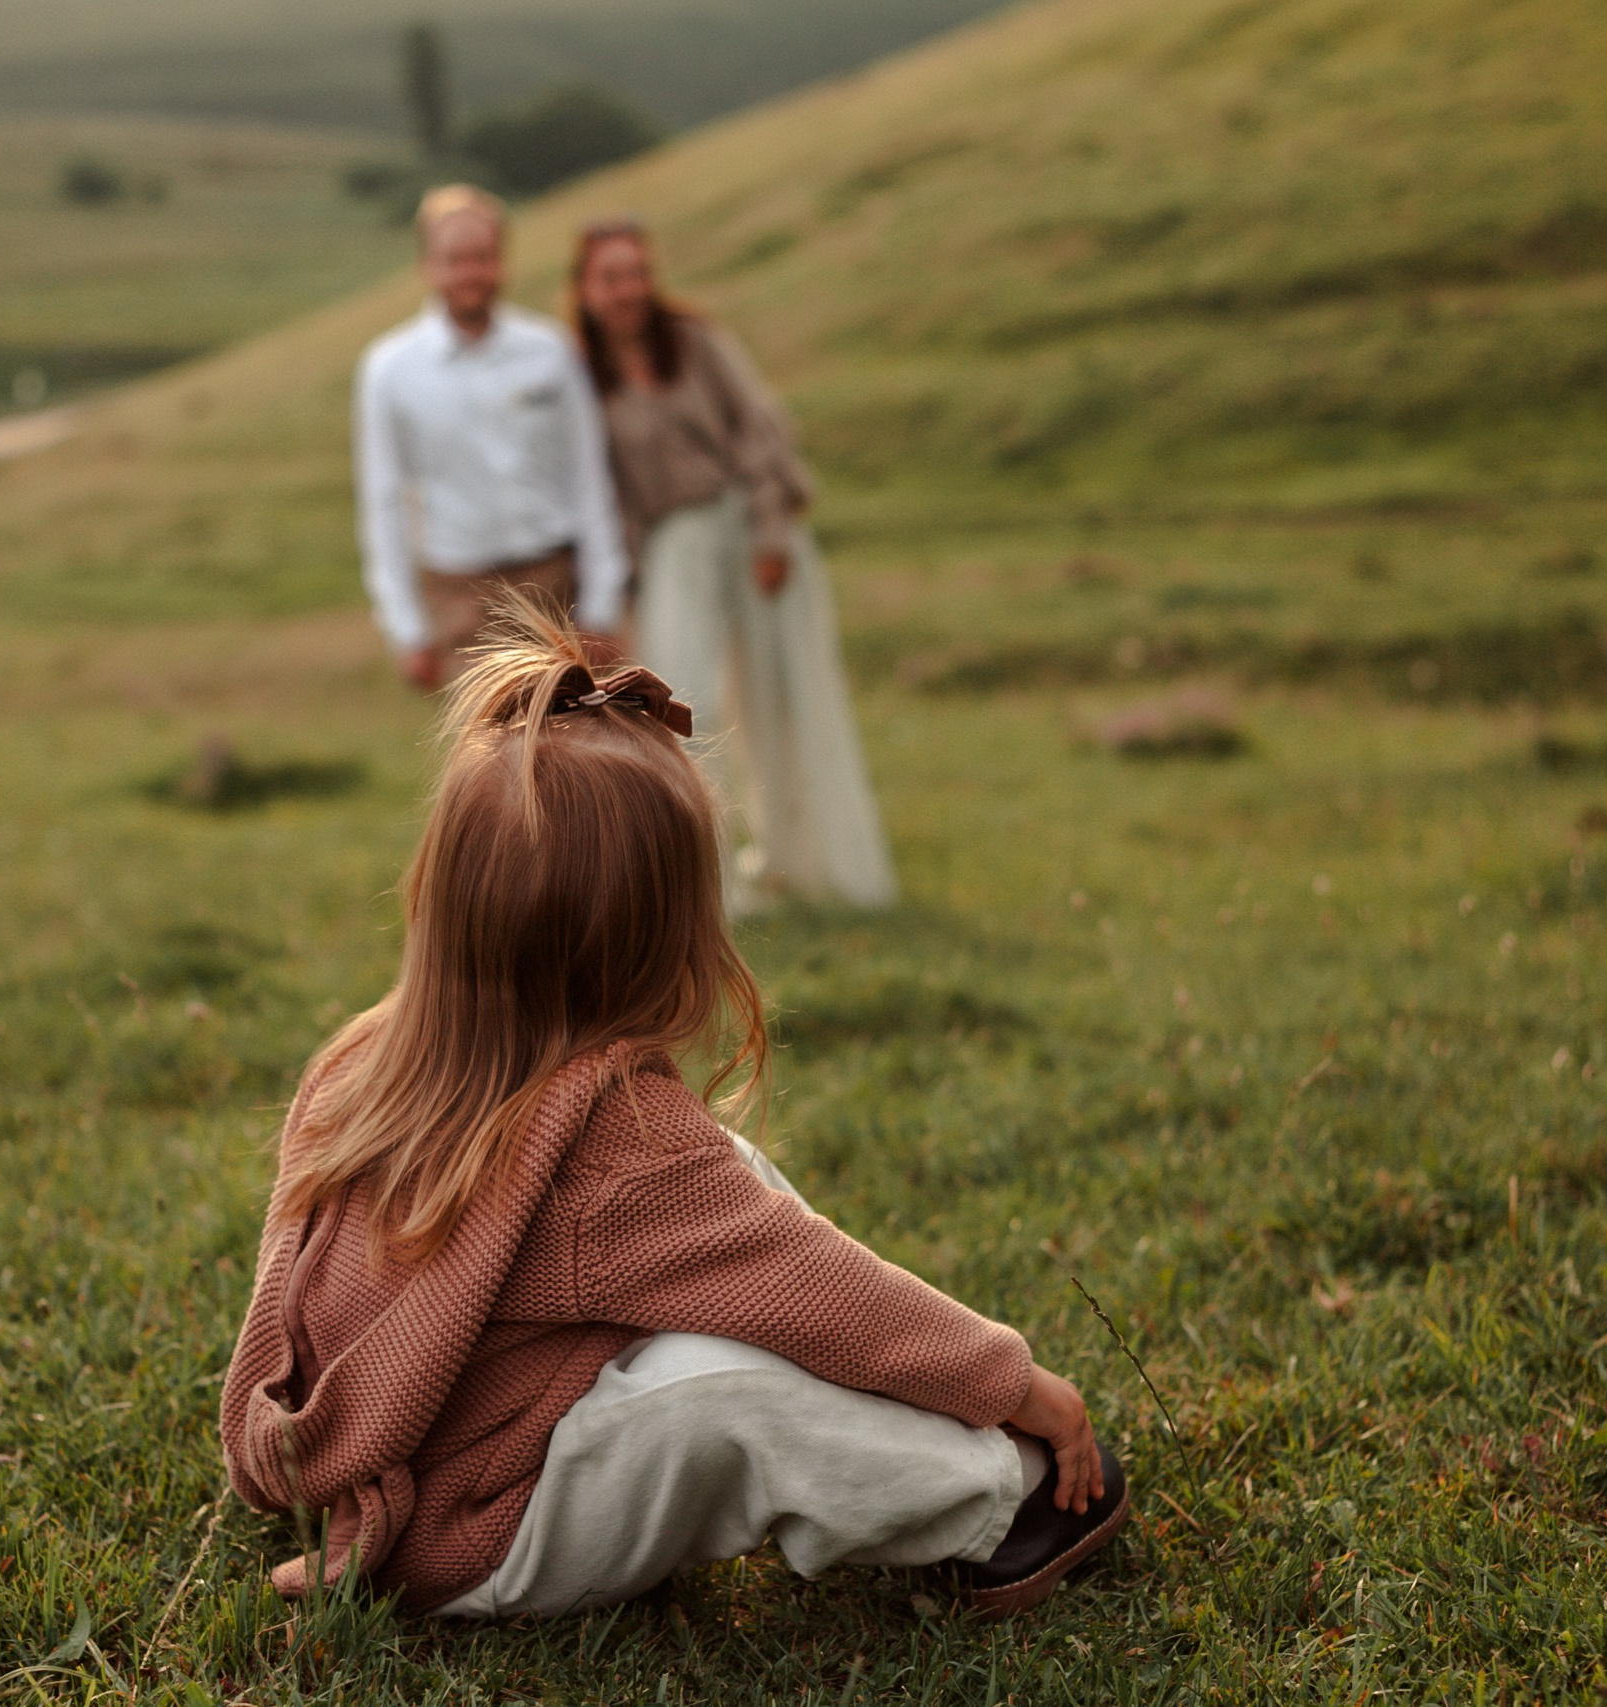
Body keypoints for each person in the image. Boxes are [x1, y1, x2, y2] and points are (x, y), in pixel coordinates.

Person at [220, 601, 1128, 1620]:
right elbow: (831, 1296)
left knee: (733, 1195)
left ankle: (916, 1418)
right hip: (473, 1534)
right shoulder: (620, 1149)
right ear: (670, 944)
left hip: (406, 1465)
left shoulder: (360, 1060)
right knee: (719, 1389)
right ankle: (999, 1502)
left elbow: (280, 1293)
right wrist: (1020, 1389)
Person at [568, 218, 896, 908]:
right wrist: (620, 588)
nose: (628, 289)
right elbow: (605, 491)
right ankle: (703, 880)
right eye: (611, 276)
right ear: (585, 288)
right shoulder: (580, 377)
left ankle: (807, 860)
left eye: (637, 272)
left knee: (784, 694)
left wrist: (772, 532)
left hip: (749, 528)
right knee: (681, 702)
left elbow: (759, 427)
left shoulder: (695, 342)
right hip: (672, 547)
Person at [354, 185, 629, 687]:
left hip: (557, 582)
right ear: (427, 266)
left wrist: (602, 606)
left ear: (502, 261)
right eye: (455, 259)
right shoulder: (389, 370)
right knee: (488, 759)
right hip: (461, 596)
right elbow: (383, 503)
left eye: (483, 257)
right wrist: (407, 630)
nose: (470, 273)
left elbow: (589, 474)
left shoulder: (550, 351)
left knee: (579, 754)